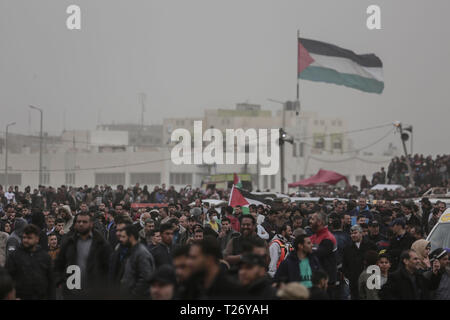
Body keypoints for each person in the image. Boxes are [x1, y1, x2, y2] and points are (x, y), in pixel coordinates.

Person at [55, 211, 111, 299]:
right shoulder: (68, 242)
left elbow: (108, 269)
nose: (81, 224)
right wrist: (60, 282)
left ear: (91, 224)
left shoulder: (101, 244)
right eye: (79, 221)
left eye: (84, 222)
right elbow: (59, 264)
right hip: (72, 291)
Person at [6, 224, 55, 300]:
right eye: (24, 237)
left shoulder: (45, 257)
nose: (25, 240)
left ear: (37, 239)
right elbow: (8, 279)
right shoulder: (14, 256)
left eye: (29, 238)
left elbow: (51, 281)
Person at [119, 224, 155, 299]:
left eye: (123, 237)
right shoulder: (132, 251)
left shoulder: (141, 253)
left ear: (131, 237)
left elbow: (145, 278)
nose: (121, 239)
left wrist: (133, 295)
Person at [342, 225, 378, 300]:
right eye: (351, 233)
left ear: (361, 233)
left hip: (369, 279)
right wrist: (349, 275)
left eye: (355, 233)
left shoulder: (370, 245)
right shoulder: (347, 248)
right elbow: (345, 265)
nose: (353, 235)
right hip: (354, 281)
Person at [309, 212, 338, 297]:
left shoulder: (328, 238)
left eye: (312, 219)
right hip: (317, 279)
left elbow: (317, 255)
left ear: (320, 222)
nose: (310, 221)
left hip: (326, 282)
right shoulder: (314, 236)